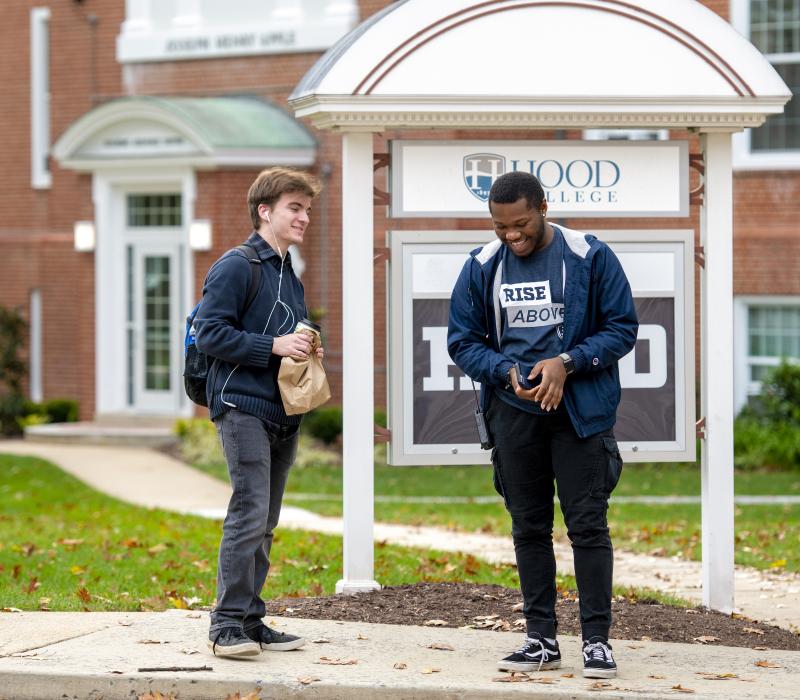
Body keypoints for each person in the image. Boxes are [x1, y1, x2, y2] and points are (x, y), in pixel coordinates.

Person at [447, 171, 638, 678]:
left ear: (544, 208)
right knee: (528, 529)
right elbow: (463, 340)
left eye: (521, 223)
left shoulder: (590, 256)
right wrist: (505, 373)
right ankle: (540, 640)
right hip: (514, 415)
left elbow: (622, 328)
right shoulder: (482, 265)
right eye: (500, 226)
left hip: (580, 416)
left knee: (588, 528)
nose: (511, 235)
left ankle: (596, 642)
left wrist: (568, 362)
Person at [195, 167, 323, 658]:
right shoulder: (236, 265)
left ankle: (250, 619)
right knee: (248, 512)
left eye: (307, 209)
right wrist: (274, 345)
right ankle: (225, 625)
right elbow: (210, 334)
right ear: (264, 211)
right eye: (295, 208)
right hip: (240, 404)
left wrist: (305, 347)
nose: (304, 217)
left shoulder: (288, 272)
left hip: (282, 411)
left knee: (265, 520)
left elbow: (284, 338)